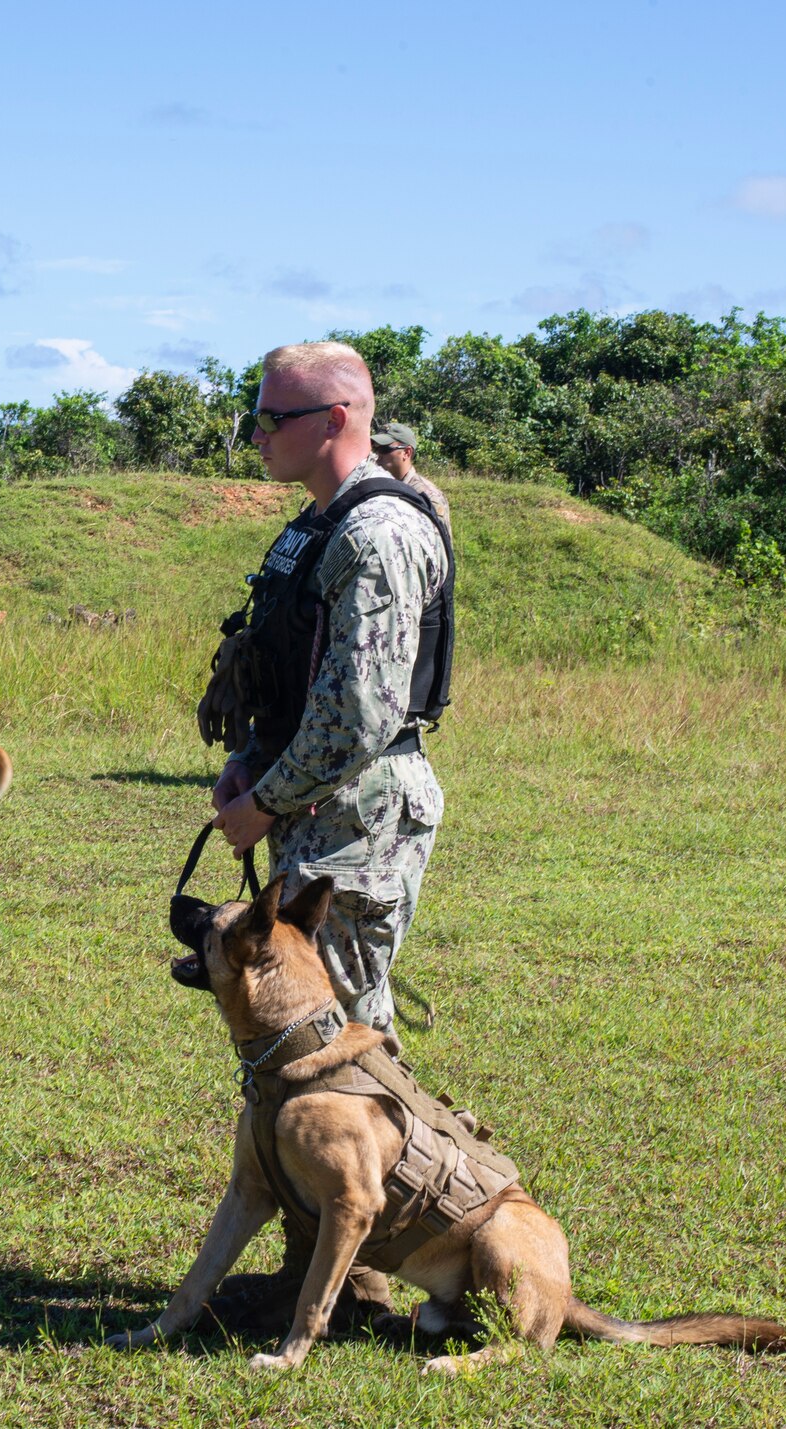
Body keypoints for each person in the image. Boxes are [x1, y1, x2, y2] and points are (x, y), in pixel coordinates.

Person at [199, 340, 455, 1331]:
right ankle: (320, 1258)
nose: (255, 433)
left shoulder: (378, 533)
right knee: (298, 1038)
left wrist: (265, 799)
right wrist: (251, 762)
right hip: (312, 798)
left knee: (339, 1031)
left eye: (272, 417)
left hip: (356, 808)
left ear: (336, 416)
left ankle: (358, 1276)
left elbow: (358, 709)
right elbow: (292, 673)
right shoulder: (317, 529)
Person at [370, 421, 450, 523]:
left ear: (407, 453)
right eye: (376, 449)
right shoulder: (378, 486)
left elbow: (439, 537)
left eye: (385, 449)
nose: (378, 455)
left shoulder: (428, 497)